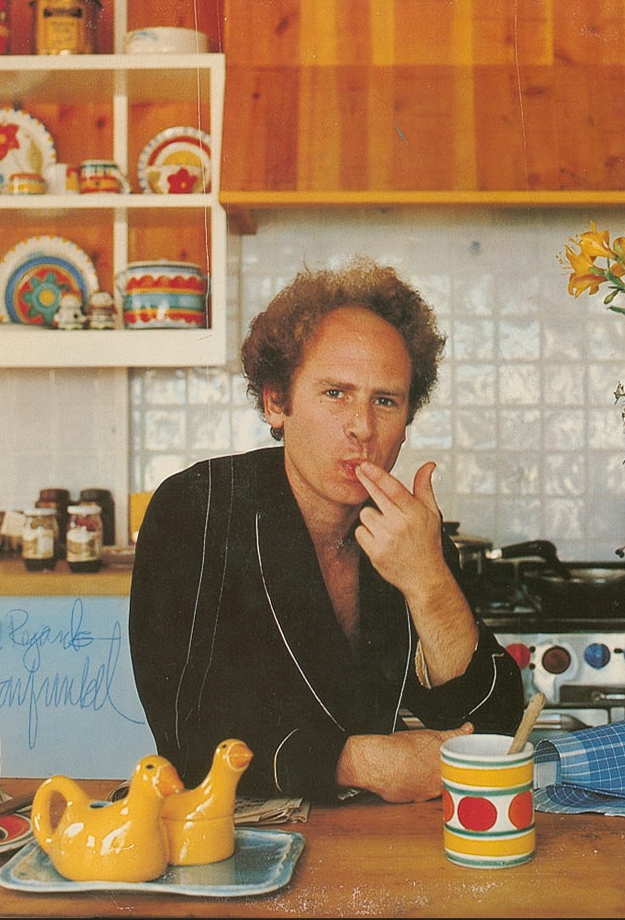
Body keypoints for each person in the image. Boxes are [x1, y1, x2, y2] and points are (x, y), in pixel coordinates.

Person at [129, 257, 524, 803]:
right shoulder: (196, 509)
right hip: (225, 836)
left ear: (407, 421)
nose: (363, 427)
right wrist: (358, 762)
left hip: (369, 841)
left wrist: (428, 582)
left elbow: (496, 727)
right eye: (336, 393)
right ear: (276, 401)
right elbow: (185, 737)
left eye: (385, 401)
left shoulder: (405, 532)